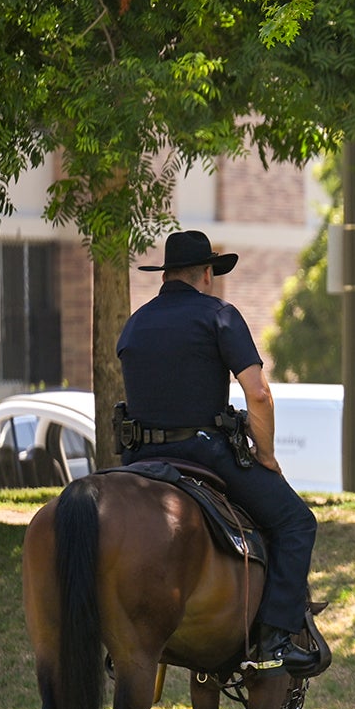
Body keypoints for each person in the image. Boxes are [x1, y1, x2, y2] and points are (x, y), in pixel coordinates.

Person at [115, 230, 321, 676]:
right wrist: (265, 455)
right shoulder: (219, 316)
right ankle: (274, 640)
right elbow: (259, 395)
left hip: (136, 462)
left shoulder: (135, 322)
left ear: (166, 274)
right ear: (207, 274)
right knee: (297, 522)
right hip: (202, 451)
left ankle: (114, 642)